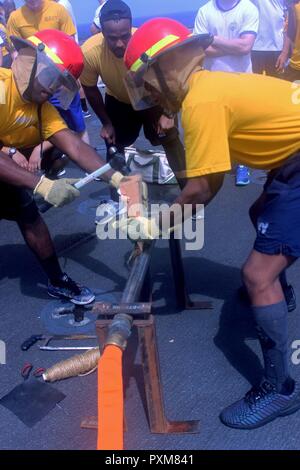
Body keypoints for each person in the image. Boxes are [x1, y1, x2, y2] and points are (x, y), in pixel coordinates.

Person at [121, 17, 300, 429]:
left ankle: (280, 390)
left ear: (165, 69)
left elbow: (201, 191)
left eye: (148, 82)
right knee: (261, 214)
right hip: (288, 160)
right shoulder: (210, 86)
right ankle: (281, 294)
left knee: (256, 275)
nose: (148, 92)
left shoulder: (201, 104)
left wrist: (153, 226)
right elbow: (211, 182)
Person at [0, 29, 127, 304]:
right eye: (49, 77)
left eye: (58, 83)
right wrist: (41, 184)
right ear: (28, 61)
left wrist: (116, 179)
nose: (50, 88)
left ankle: (57, 280)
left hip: (4, 171)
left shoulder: (41, 107)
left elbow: (75, 146)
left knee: (29, 214)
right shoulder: (1, 87)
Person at [80, 0, 186, 202]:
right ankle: (117, 196)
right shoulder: (90, 52)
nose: (120, 43)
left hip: (151, 100)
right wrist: (106, 122)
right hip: (118, 100)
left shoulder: (149, 43)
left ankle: (188, 192)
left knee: (167, 139)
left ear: (131, 29)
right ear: (102, 32)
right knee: (114, 144)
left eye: (125, 36)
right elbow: (90, 89)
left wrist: (168, 113)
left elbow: (174, 80)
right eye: (112, 38)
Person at [7, 0, 89, 153]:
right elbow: (16, 54)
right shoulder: (15, 18)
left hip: (60, 79)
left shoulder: (58, 10)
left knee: (77, 123)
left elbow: (71, 43)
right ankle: (50, 160)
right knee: (42, 122)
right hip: (35, 82)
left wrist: (71, 80)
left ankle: (88, 160)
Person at [194, 0, 259, 187]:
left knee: (242, 125)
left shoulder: (248, 8)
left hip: (242, 79)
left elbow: (245, 47)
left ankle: (242, 165)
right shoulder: (204, 11)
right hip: (211, 79)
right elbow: (201, 49)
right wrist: (233, 45)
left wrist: (213, 39)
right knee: (214, 125)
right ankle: (216, 166)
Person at [251, 0, 287, 76]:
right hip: (254, 47)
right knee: (254, 85)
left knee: (275, 86)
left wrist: (285, 53)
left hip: (277, 48)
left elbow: (289, 23)